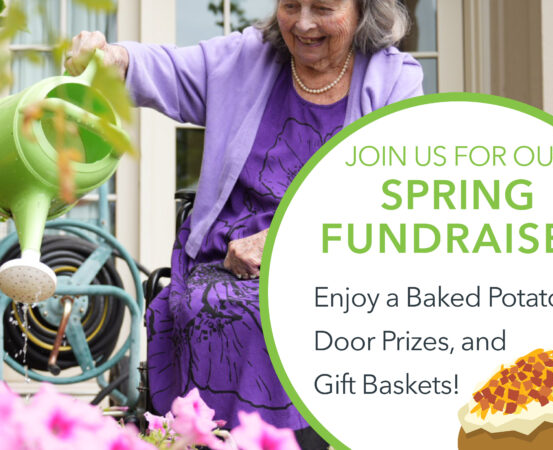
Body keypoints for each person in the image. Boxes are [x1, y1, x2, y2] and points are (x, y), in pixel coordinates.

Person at [66, 1, 422, 447]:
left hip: (332, 260)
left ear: (362, 11)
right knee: (206, 307)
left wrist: (283, 241)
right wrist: (114, 57)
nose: (303, 23)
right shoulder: (246, 58)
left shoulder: (394, 81)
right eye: (291, 5)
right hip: (225, 261)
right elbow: (169, 68)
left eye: (323, 8)